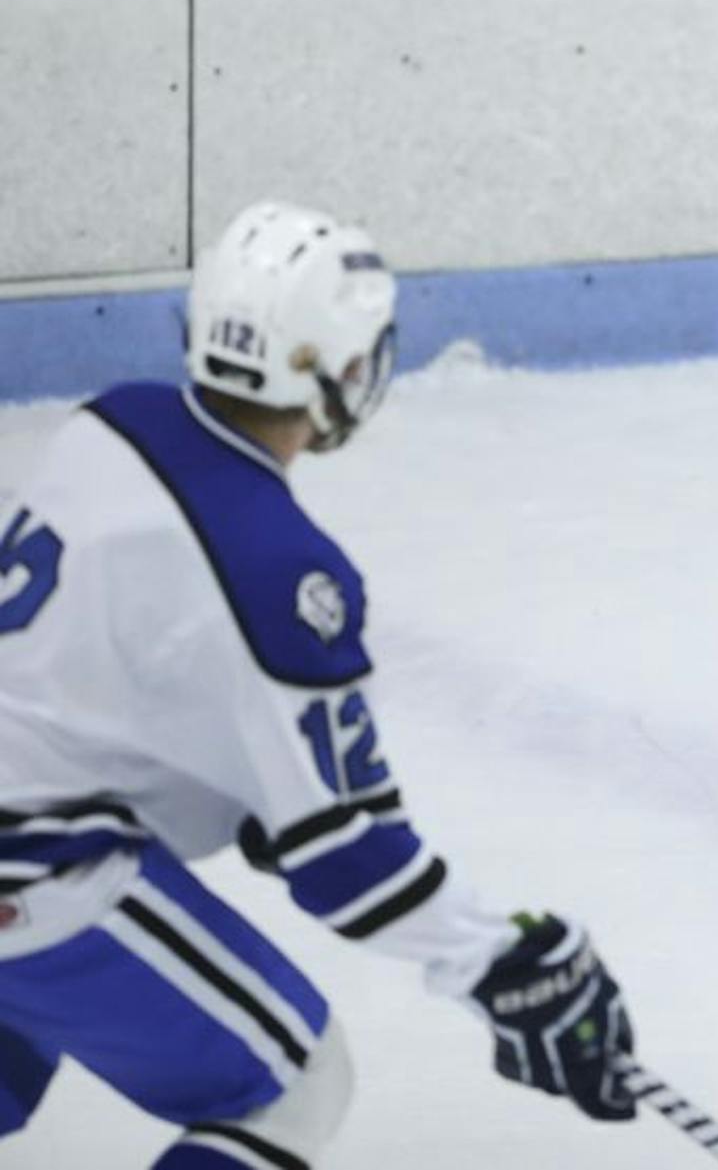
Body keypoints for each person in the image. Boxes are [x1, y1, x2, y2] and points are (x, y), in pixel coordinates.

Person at [0, 203, 634, 1165]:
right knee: (292, 1085)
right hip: (31, 873)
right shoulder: (285, 575)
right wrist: (502, 962)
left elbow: (99, 678)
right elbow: (349, 862)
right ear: (343, 370)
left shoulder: (114, 419)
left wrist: (250, 792)